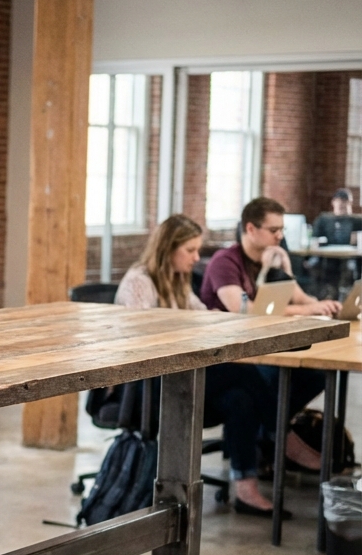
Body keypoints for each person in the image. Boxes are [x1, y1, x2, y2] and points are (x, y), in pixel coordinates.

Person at [117, 214, 313, 516]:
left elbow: (204, 317)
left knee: (241, 399)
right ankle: (279, 434)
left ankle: (245, 487)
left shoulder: (179, 282)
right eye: (190, 250)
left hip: (182, 376)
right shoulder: (139, 282)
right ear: (168, 249)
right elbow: (142, 341)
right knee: (243, 372)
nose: (197, 258)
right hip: (148, 385)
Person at [199, 197, 335, 464]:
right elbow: (245, 311)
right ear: (251, 229)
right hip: (230, 357)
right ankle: (278, 435)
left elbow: (301, 299)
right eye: (274, 230)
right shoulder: (225, 261)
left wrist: (323, 305)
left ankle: (267, 433)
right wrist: (307, 311)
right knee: (267, 378)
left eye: (281, 230)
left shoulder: (270, 259)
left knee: (315, 376)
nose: (280, 236)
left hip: (263, 349)